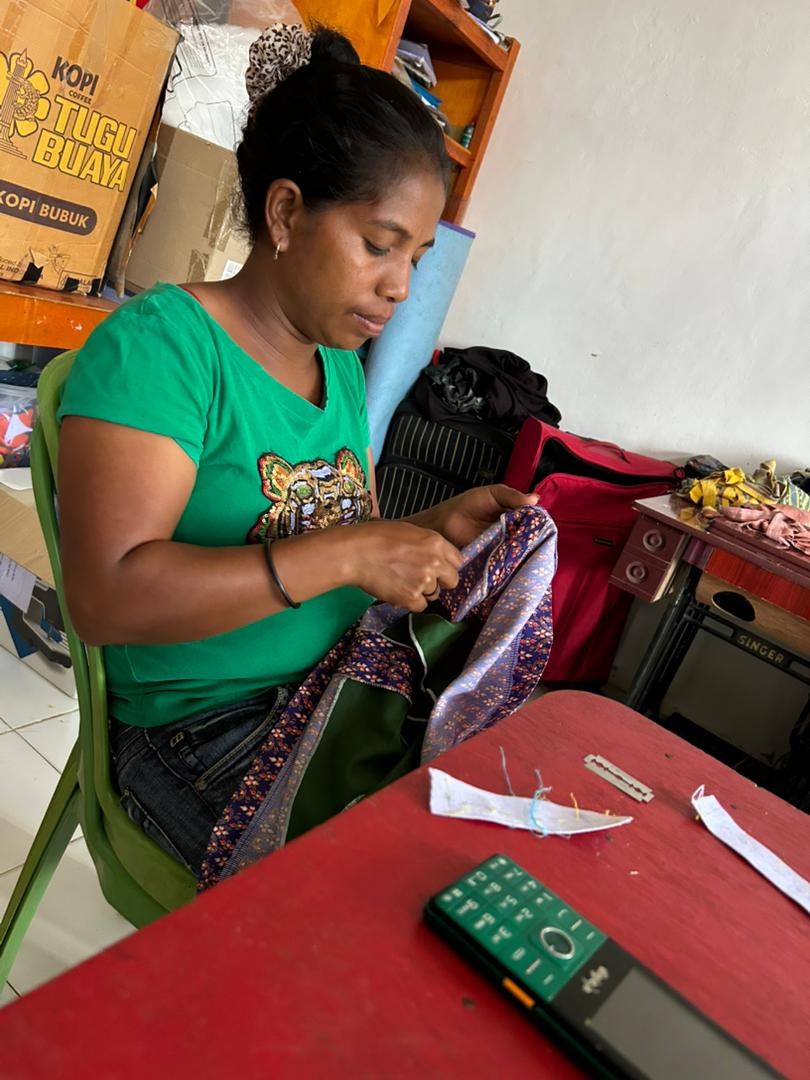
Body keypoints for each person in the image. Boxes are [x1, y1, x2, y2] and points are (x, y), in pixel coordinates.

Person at [57, 24, 536, 877]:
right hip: (199, 728)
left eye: (417, 257)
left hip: (327, 695)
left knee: (484, 847)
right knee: (387, 900)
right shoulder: (166, 349)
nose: (400, 286)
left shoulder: (337, 363)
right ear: (284, 213)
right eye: (379, 245)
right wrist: (352, 552)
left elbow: (328, 530)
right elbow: (108, 598)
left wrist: (430, 528)